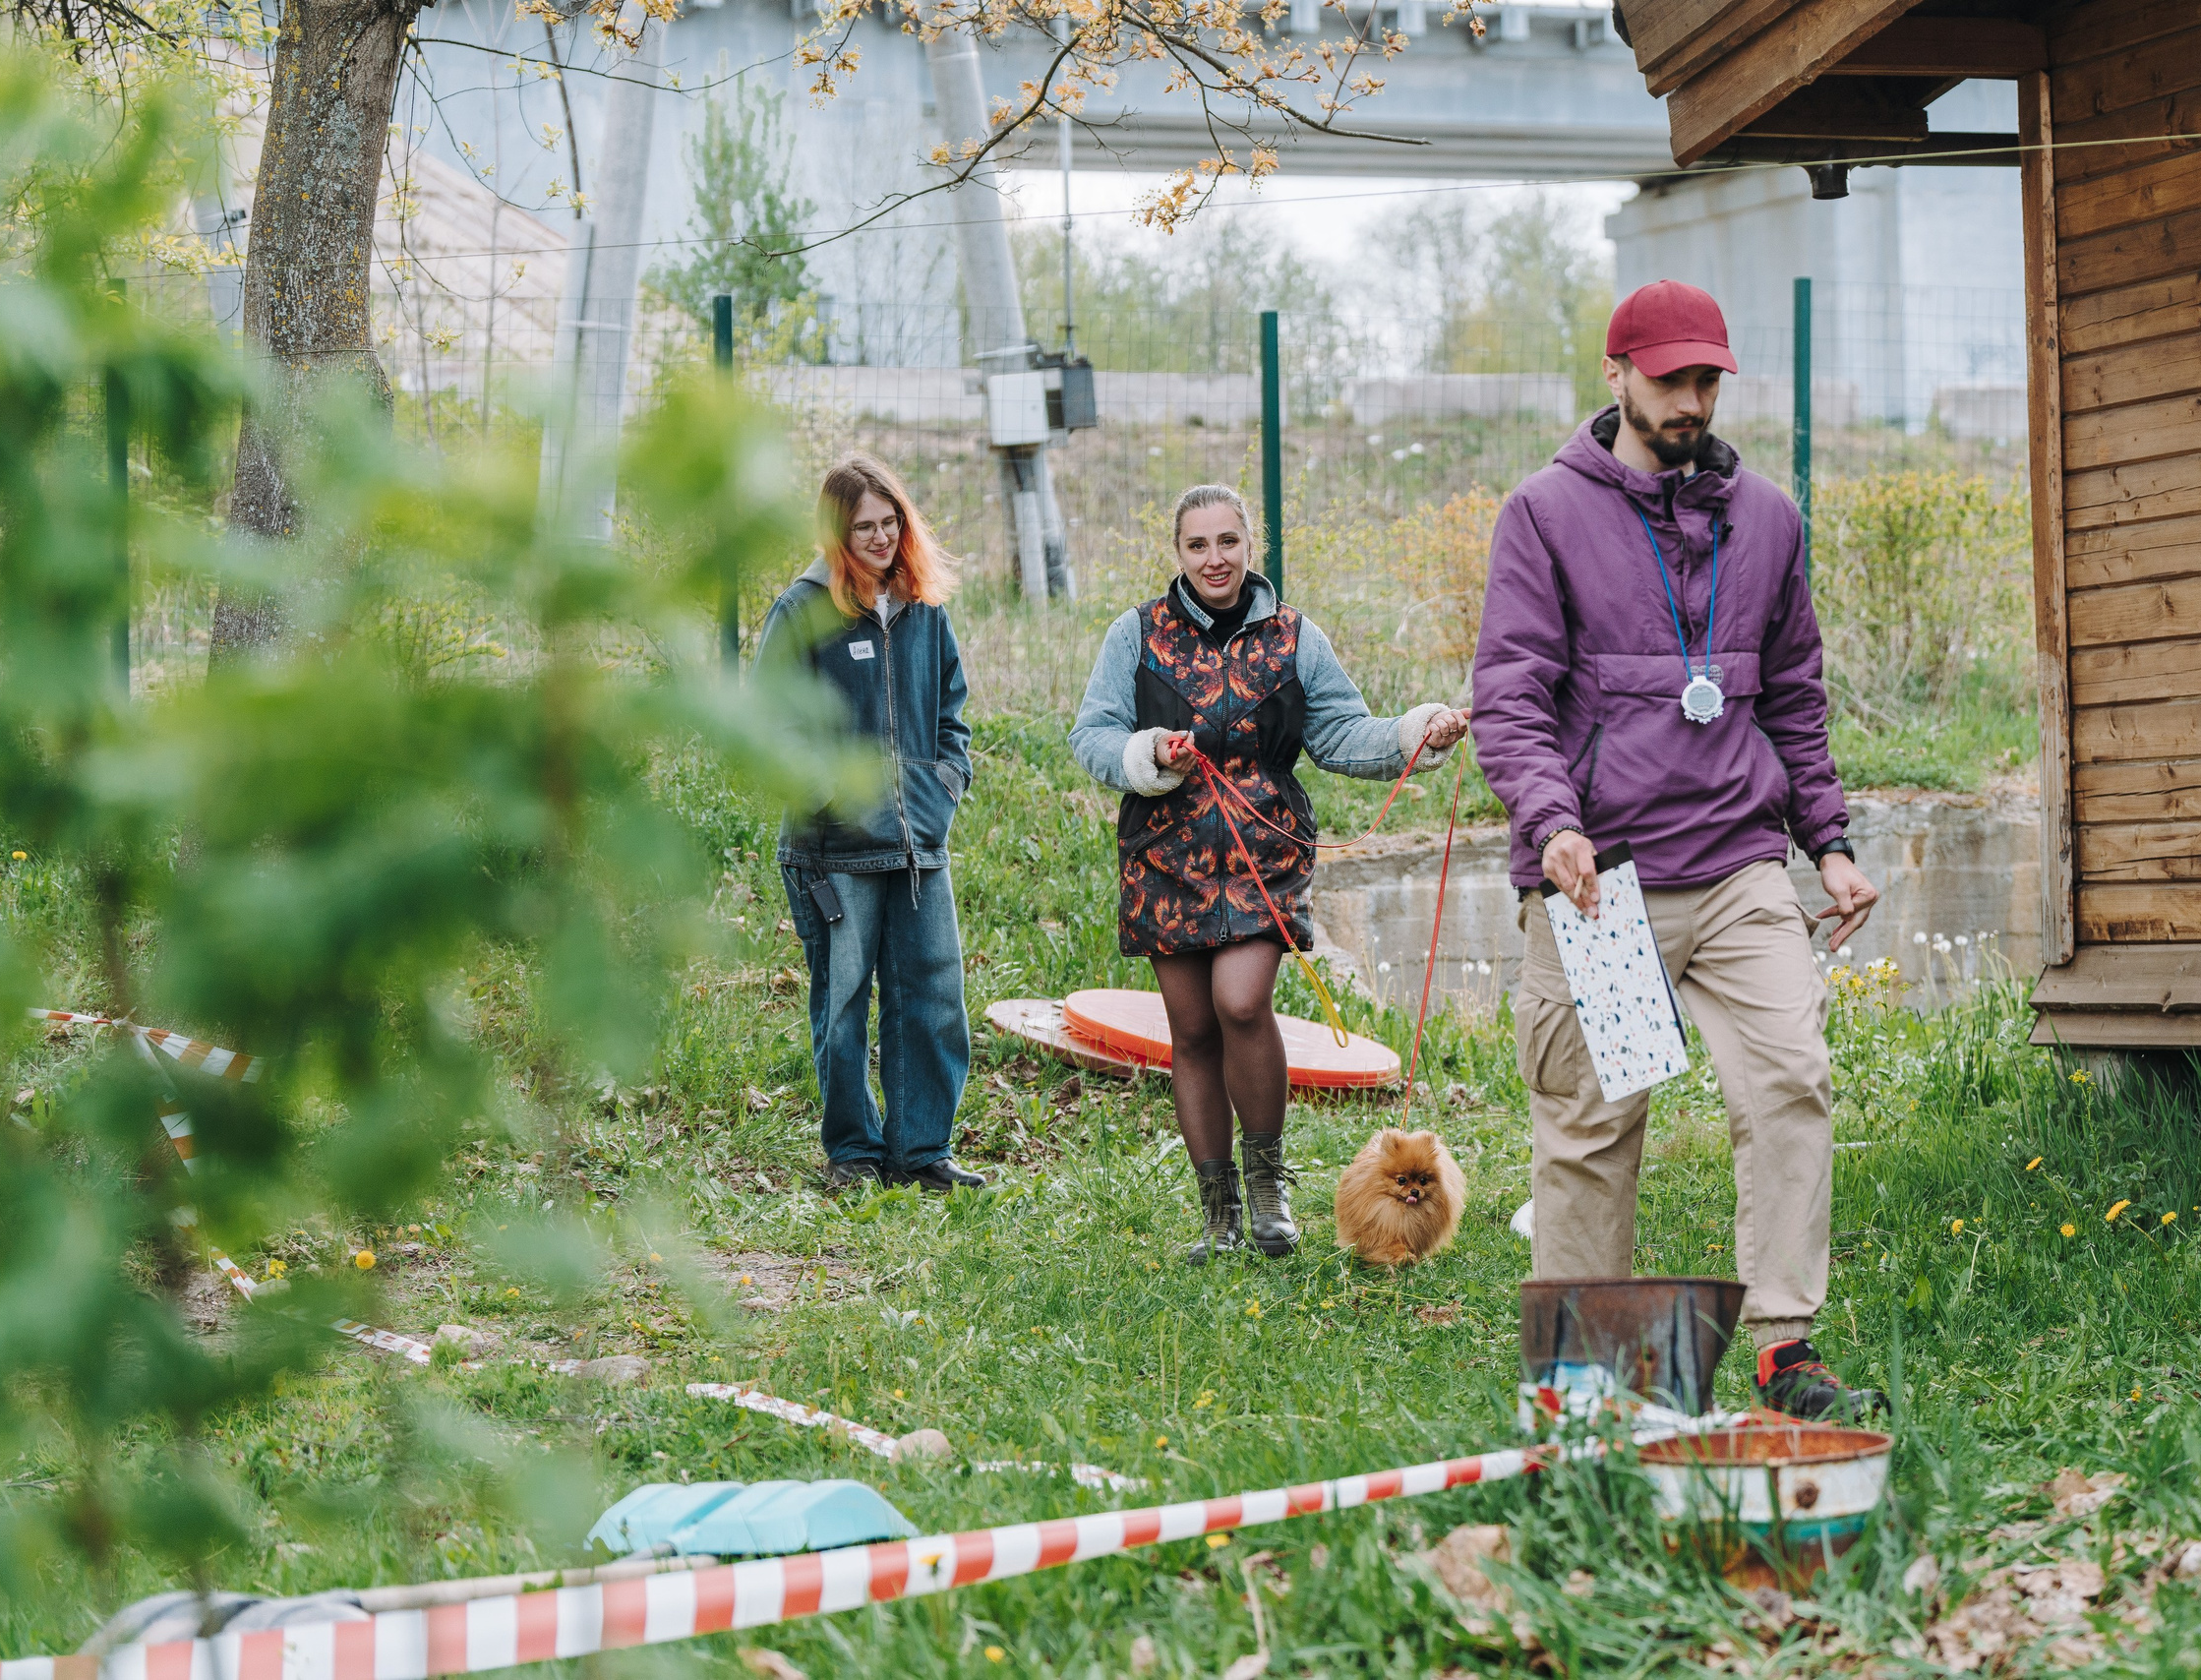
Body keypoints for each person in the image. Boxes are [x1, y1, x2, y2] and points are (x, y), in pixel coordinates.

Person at [1471, 280, 1885, 1420]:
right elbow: (1510, 697)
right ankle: (1589, 1380)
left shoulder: (1768, 519)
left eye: (1707, 378)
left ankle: (1781, 1347)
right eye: (1671, 379)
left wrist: (1829, 845)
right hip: (1604, 876)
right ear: (1616, 376)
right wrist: (1554, 822)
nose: (1692, 399)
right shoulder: (1545, 514)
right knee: (1599, 1122)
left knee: (1791, 1080)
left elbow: (1793, 696)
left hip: (1742, 864)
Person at [1071, 484, 1469, 1263]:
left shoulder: (1295, 637)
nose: (1214, 558)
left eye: (1228, 541)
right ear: (1177, 553)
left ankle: (1267, 1191)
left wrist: (1419, 728)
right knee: (1190, 1029)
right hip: (1165, 855)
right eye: (1197, 544)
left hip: (1265, 852)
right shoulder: (1136, 635)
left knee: (1240, 1003)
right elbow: (1092, 736)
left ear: (1251, 547)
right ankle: (1218, 1214)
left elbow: (1344, 734)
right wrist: (1148, 752)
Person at [758, 453, 984, 1195]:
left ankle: (921, 1153)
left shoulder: (925, 609)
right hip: (836, 852)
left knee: (932, 996)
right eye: (865, 528)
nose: (882, 539)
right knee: (844, 1003)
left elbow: (953, 718)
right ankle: (852, 1154)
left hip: (921, 847)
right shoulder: (801, 610)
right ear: (835, 533)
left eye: (891, 523)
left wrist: (943, 786)